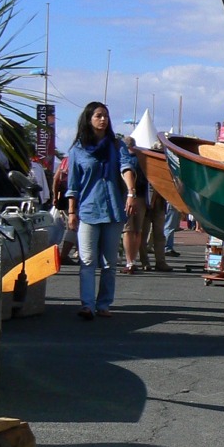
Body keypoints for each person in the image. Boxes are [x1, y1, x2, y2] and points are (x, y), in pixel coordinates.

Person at [65, 102, 138, 320]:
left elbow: (127, 167)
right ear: (89, 119)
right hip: (88, 210)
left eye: (105, 116)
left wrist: (131, 192)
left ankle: (104, 304)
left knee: (109, 262)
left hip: (114, 210)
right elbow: (73, 185)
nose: (103, 120)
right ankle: (87, 304)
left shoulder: (116, 146)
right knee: (87, 260)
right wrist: (71, 212)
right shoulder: (77, 150)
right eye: (98, 116)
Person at [120, 137, 150, 274]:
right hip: (142, 197)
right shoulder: (143, 160)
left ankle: (129, 261)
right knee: (138, 231)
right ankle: (134, 260)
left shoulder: (124, 160)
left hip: (127, 196)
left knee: (127, 230)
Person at [51, 155, 79, 264]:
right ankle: (64, 255)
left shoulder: (65, 160)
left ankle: (67, 254)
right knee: (74, 226)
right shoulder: (81, 158)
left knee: (71, 225)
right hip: (78, 196)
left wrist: (55, 196)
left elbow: (56, 179)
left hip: (64, 195)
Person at [140, 187, 173, 271]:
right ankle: (144, 261)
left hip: (159, 203)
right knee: (143, 234)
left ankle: (160, 262)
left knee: (159, 235)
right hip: (145, 201)